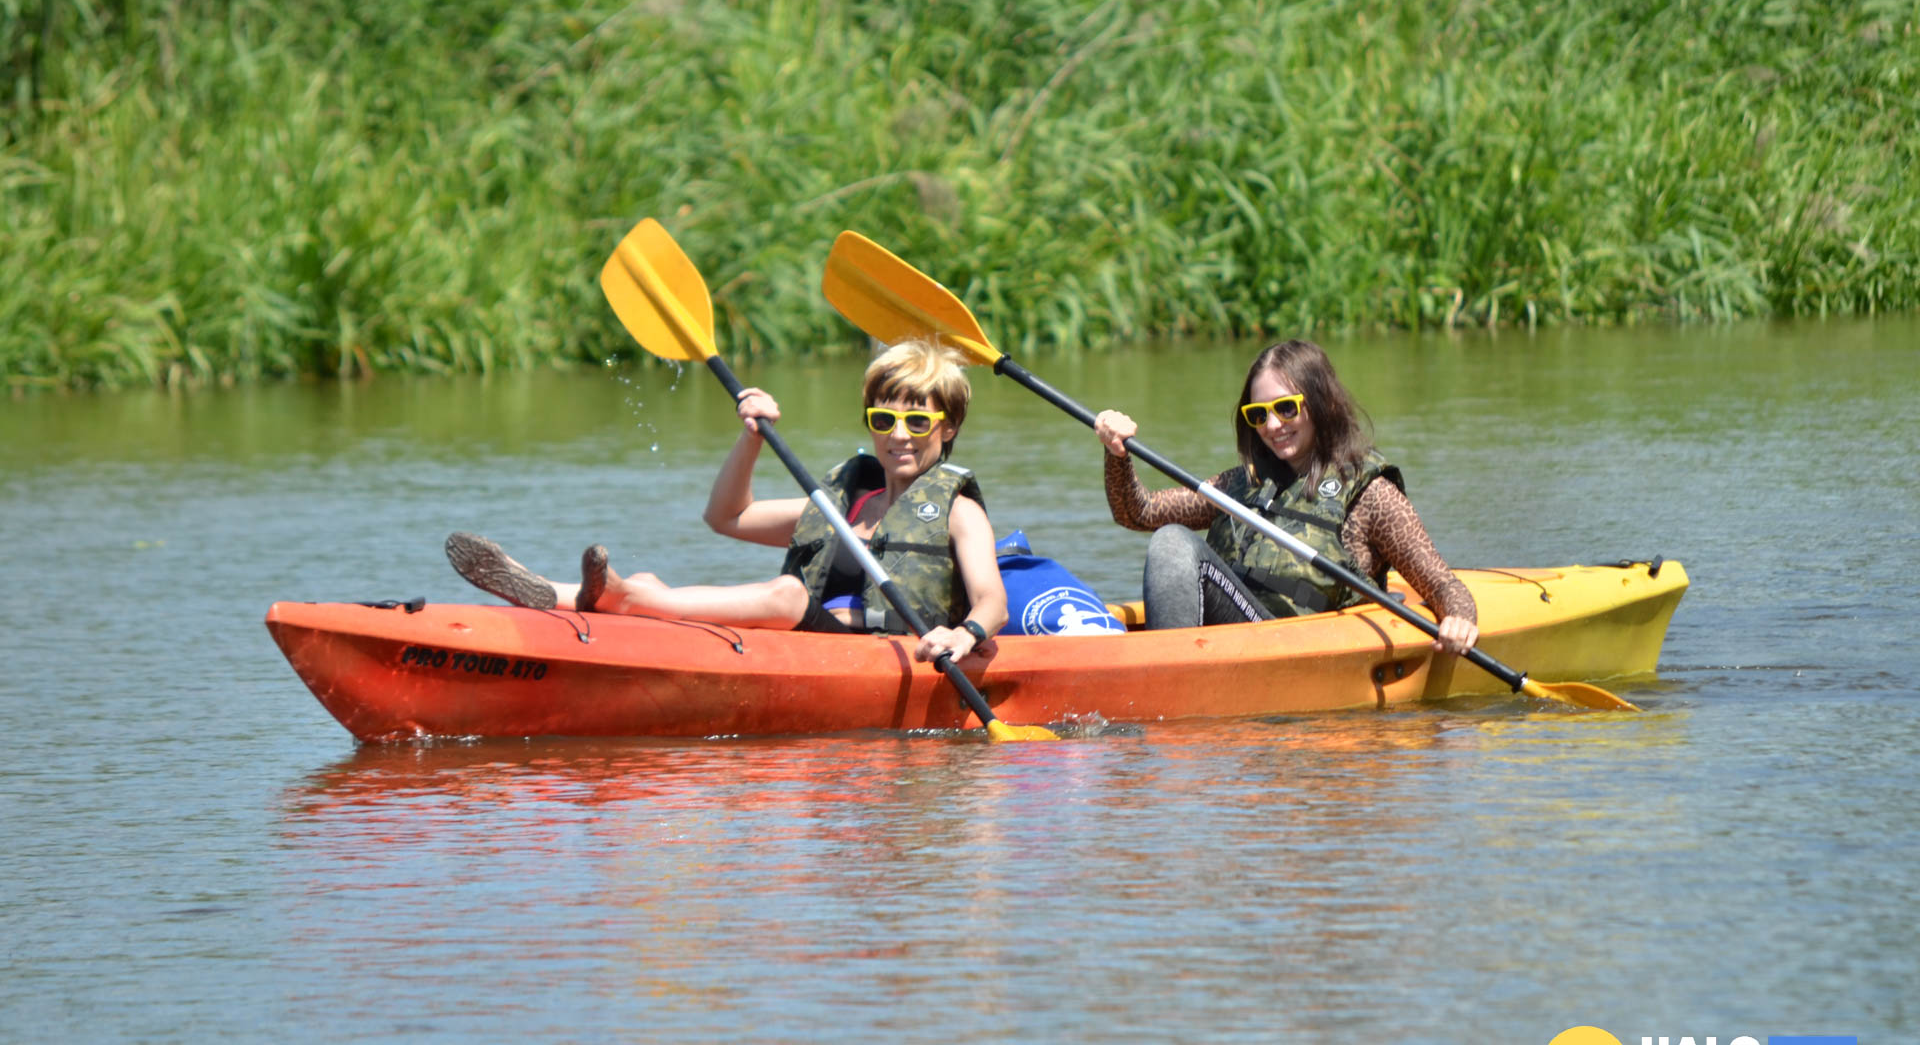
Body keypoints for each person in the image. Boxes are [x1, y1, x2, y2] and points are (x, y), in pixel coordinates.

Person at [447, 339, 1007, 666]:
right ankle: (560, 593)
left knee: (788, 593)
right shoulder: (846, 504)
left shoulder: (958, 511)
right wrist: (751, 439)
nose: (899, 435)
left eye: (918, 421)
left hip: (887, 654)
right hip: (808, 647)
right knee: (658, 583)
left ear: (948, 427)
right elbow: (727, 517)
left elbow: (992, 602)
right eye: (884, 419)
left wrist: (964, 635)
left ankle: (619, 597)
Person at [1093, 339, 1479, 653]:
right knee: (1170, 540)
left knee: (1172, 542)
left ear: (1323, 404)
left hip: (1300, 647)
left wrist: (1459, 620)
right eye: (1258, 415)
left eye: (1285, 408)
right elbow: (1138, 512)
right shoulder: (1240, 485)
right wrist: (1117, 454)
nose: (1273, 425)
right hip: (1235, 635)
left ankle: (1168, 675)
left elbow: (1441, 583)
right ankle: (1168, 666)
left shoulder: (1371, 496)